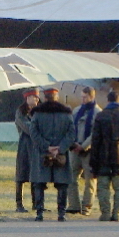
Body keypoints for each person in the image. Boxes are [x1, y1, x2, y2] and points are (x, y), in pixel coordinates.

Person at [30, 87, 76, 221]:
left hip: (42, 153)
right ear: (57, 97)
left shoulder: (37, 114)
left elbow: (33, 132)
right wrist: (60, 148)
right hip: (61, 153)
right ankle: (61, 213)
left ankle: (39, 213)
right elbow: (71, 134)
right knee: (62, 183)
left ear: (44, 98)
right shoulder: (66, 114)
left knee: (39, 183)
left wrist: (46, 146)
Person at [90, 91, 119, 221]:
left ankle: (105, 213)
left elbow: (95, 140)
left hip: (103, 157)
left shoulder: (100, 116)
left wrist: (93, 162)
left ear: (108, 100)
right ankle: (117, 213)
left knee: (103, 188)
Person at [66, 86, 101, 216]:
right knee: (71, 177)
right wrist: (73, 144)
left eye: (85, 97)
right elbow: (71, 128)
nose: (83, 99)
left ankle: (86, 206)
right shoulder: (77, 111)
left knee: (90, 180)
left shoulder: (97, 113)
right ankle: (73, 205)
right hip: (75, 149)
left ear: (92, 97)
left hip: (89, 151)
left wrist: (84, 146)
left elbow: (95, 133)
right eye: (82, 97)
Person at [13, 87, 40, 213]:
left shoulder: (39, 111)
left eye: (36, 97)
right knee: (21, 175)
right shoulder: (20, 112)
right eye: (32, 97)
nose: (35, 99)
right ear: (27, 98)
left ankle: (36, 203)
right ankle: (19, 204)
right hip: (24, 145)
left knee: (35, 175)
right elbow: (27, 128)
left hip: (36, 146)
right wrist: (38, 129)